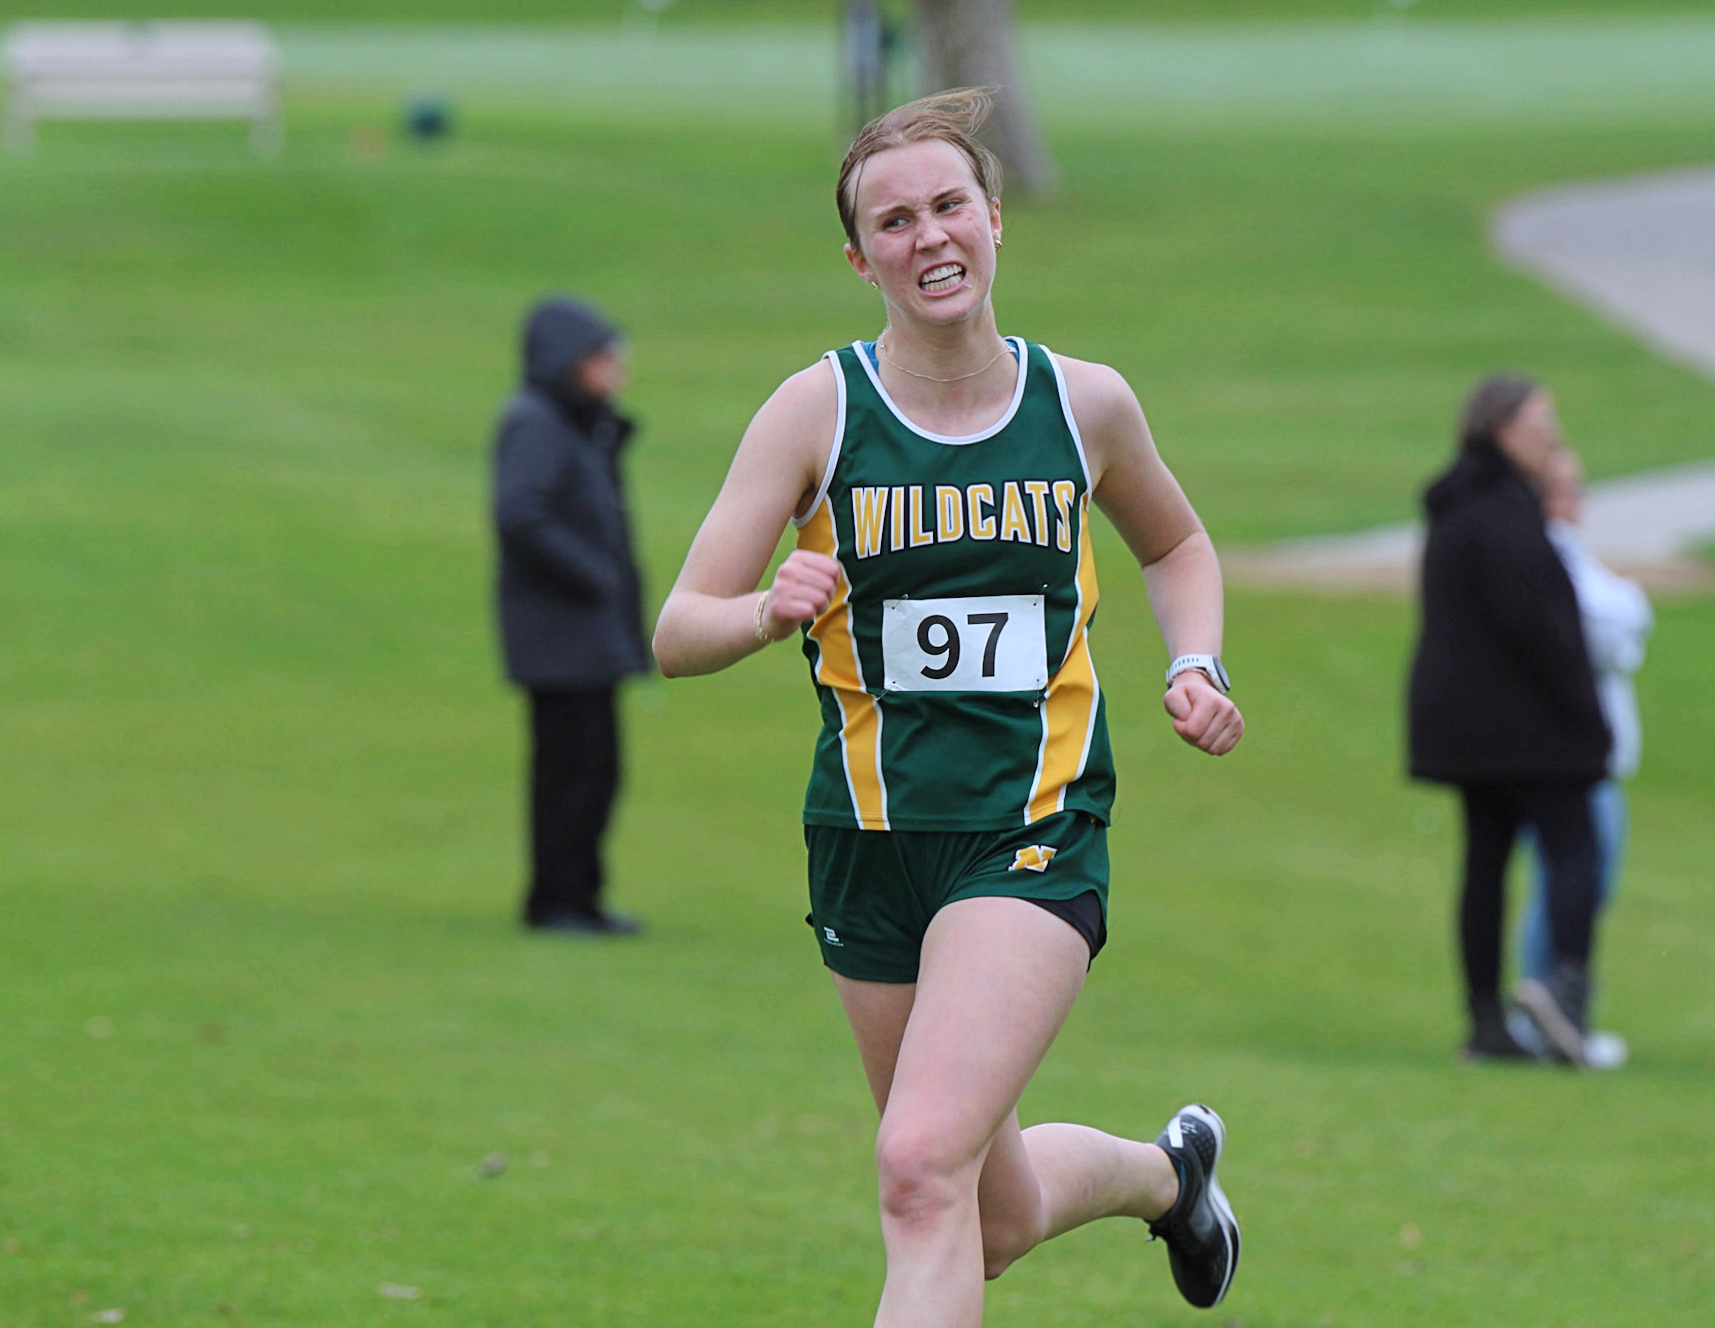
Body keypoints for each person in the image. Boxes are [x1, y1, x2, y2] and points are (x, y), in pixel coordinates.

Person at [652, 91, 1245, 1325]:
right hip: (869, 842)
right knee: (988, 1216)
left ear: (991, 221)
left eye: (948, 206)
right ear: (858, 255)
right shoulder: (818, 411)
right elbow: (675, 629)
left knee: (920, 1172)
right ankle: (1169, 1176)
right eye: (894, 219)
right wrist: (767, 608)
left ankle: (1164, 1175)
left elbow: (1177, 541)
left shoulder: (1084, 406)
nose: (928, 236)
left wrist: (1199, 662)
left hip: (1031, 832)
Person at [1407, 375, 1611, 1067]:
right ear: (1501, 428)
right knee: (1575, 847)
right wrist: (1588, 718)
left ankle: (1486, 1020)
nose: (1550, 434)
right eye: (1540, 421)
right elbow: (1542, 629)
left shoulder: (1455, 506)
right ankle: (1566, 998)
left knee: (1486, 863)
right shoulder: (1503, 513)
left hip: (1464, 729)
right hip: (1528, 729)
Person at [491, 296, 650, 935]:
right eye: (603, 357)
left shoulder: (579, 422)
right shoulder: (534, 421)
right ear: (566, 360)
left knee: (598, 773)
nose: (616, 369)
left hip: (588, 638)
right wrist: (595, 574)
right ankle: (555, 901)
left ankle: (580, 897)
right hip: (559, 640)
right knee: (570, 776)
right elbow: (519, 513)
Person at [1507, 446, 1652, 1069]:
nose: (1574, 502)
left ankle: (1547, 1014)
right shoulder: (1543, 555)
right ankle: (1547, 1015)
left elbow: (1625, 614)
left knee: (1577, 886)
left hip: (1591, 759)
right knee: (1569, 888)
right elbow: (1611, 624)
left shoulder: (1567, 554)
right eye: (1563, 489)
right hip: (1573, 761)